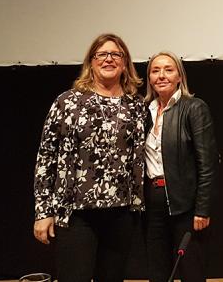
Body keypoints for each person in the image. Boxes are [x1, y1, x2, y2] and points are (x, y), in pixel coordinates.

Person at [33, 33, 145, 282]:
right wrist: (43, 212)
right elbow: (46, 157)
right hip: (76, 214)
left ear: (125, 63)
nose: (109, 59)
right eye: (102, 54)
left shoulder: (135, 105)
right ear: (91, 62)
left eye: (116, 54)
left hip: (121, 214)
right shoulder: (67, 102)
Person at [143, 51, 217, 282]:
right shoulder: (144, 111)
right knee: (157, 271)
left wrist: (202, 208)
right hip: (151, 202)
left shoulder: (194, 108)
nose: (161, 75)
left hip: (185, 204)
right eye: (155, 71)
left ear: (179, 77)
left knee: (190, 270)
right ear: (149, 78)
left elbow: (208, 163)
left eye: (168, 69)